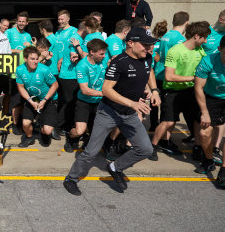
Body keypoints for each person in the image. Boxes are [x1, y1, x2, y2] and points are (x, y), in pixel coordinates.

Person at [63, 27, 161, 196]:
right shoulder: (119, 62)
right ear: (130, 43)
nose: (149, 48)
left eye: (150, 44)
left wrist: (154, 90)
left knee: (145, 148)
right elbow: (107, 90)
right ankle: (71, 179)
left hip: (129, 114)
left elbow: (149, 70)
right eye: (145, 44)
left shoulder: (147, 58)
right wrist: (132, 103)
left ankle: (115, 167)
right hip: (109, 112)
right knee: (91, 151)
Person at [150, 21, 210, 163]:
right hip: (173, 91)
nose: (206, 41)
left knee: (196, 120)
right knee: (168, 122)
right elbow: (169, 76)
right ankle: (153, 146)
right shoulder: (175, 51)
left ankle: (197, 147)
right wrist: (194, 78)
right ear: (196, 36)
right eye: (204, 38)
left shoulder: (200, 51)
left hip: (191, 90)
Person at [194, 34, 225, 188]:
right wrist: (204, 112)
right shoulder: (207, 60)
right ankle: (208, 159)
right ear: (219, 49)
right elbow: (198, 87)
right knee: (204, 133)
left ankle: (224, 171)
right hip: (213, 97)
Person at [65, 39, 109, 153]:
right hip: (84, 102)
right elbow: (85, 90)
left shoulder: (104, 61)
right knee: (79, 131)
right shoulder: (82, 66)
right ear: (92, 52)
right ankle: (70, 136)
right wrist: (106, 93)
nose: (104, 56)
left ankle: (89, 140)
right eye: (102, 54)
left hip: (99, 103)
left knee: (98, 130)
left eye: (105, 53)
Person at [16, 46, 59, 147]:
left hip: (49, 99)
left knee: (47, 131)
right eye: (32, 59)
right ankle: (30, 137)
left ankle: (43, 130)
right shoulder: (20, 70)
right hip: (33, 98)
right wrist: (31, 101)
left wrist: (44, 100)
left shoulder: (44, 69)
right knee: (25, 124)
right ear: (25, 59)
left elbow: (55, 85)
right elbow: (21, 88)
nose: (35, 61)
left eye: (36, 59)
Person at [56, 21, 87, 139]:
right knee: (70, 103)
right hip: (70, 76)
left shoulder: (74, 37)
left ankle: (63, 126)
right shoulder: (75, 39)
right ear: (84, 30)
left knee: (68, 102)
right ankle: (60, 126)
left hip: (68, 75)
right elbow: (74, 57)